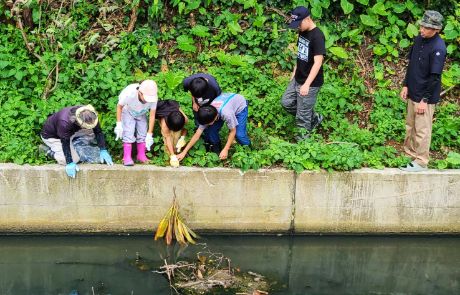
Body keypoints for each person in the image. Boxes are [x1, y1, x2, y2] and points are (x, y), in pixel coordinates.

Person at [400, 10, 446, 172]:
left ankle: (421, 162)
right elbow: (411, 64)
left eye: (426, 28)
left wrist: (424, 100)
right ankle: (411, 155)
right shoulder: (419, 39)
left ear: (436, 30)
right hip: (413, 90)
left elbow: (434, 77)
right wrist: (405, 85)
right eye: (422, 26)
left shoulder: (439, 48)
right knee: (410, 126)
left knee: (422, 130)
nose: (422, 29)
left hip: (424, 97)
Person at [281, 6, 326, 141]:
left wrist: (307, 84)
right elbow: (301, 54)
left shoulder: (317, 36)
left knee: (302, 117)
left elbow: (318, 62)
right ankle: (314, 117)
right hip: (298, 77)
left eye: (299, 24)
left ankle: (303, 144)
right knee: (286, 102)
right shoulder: (302, 31)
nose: (297, 27)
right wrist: (295, 71)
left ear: (307, 19)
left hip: (310, 83)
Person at [40, 105, 113, 178]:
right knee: (74, 159)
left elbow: (98, 132)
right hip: (54, 137)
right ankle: (48, 151)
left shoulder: (90, 115)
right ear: (78, 122)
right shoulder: (64, 122)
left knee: (91, 132)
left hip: (70, 132)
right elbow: (65, 143)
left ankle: (75, 143)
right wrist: (69, 162)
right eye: (85, 126)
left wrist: (103, 149)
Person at [177, 93, 250, 161]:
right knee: (211, 131)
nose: (206, 125)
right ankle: (217, 152)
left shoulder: (227, 114)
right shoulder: (206, 114)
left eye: (208, 123)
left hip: (240, 105)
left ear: (214, 119)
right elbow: (197, 135)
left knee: (239, 135)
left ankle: (249, 150)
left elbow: (232, 131)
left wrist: (226, 149)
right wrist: (183, 152)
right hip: (225, 104)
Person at [114, 80, 158, 166]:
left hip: (142, 113)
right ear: (140, 93)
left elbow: (152, 115)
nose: (147, 101)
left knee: (143, 133)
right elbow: (119, 107)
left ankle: (141, 155)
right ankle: (126, 157)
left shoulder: (154, 97)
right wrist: (118, 124)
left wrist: (149, 134)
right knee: (128, 132)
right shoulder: (129, 94)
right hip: (128, 111)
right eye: (146, 98)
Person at [154, 99, 189, 167]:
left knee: (176, 137)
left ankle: (176, 152)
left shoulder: (184, 119)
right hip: (163, 112)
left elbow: (185, 128)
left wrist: (182, 138)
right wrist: (172, 155)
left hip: (173, 111)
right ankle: (169, 156)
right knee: (168, 142)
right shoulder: (165, 125)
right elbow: (168, 138)